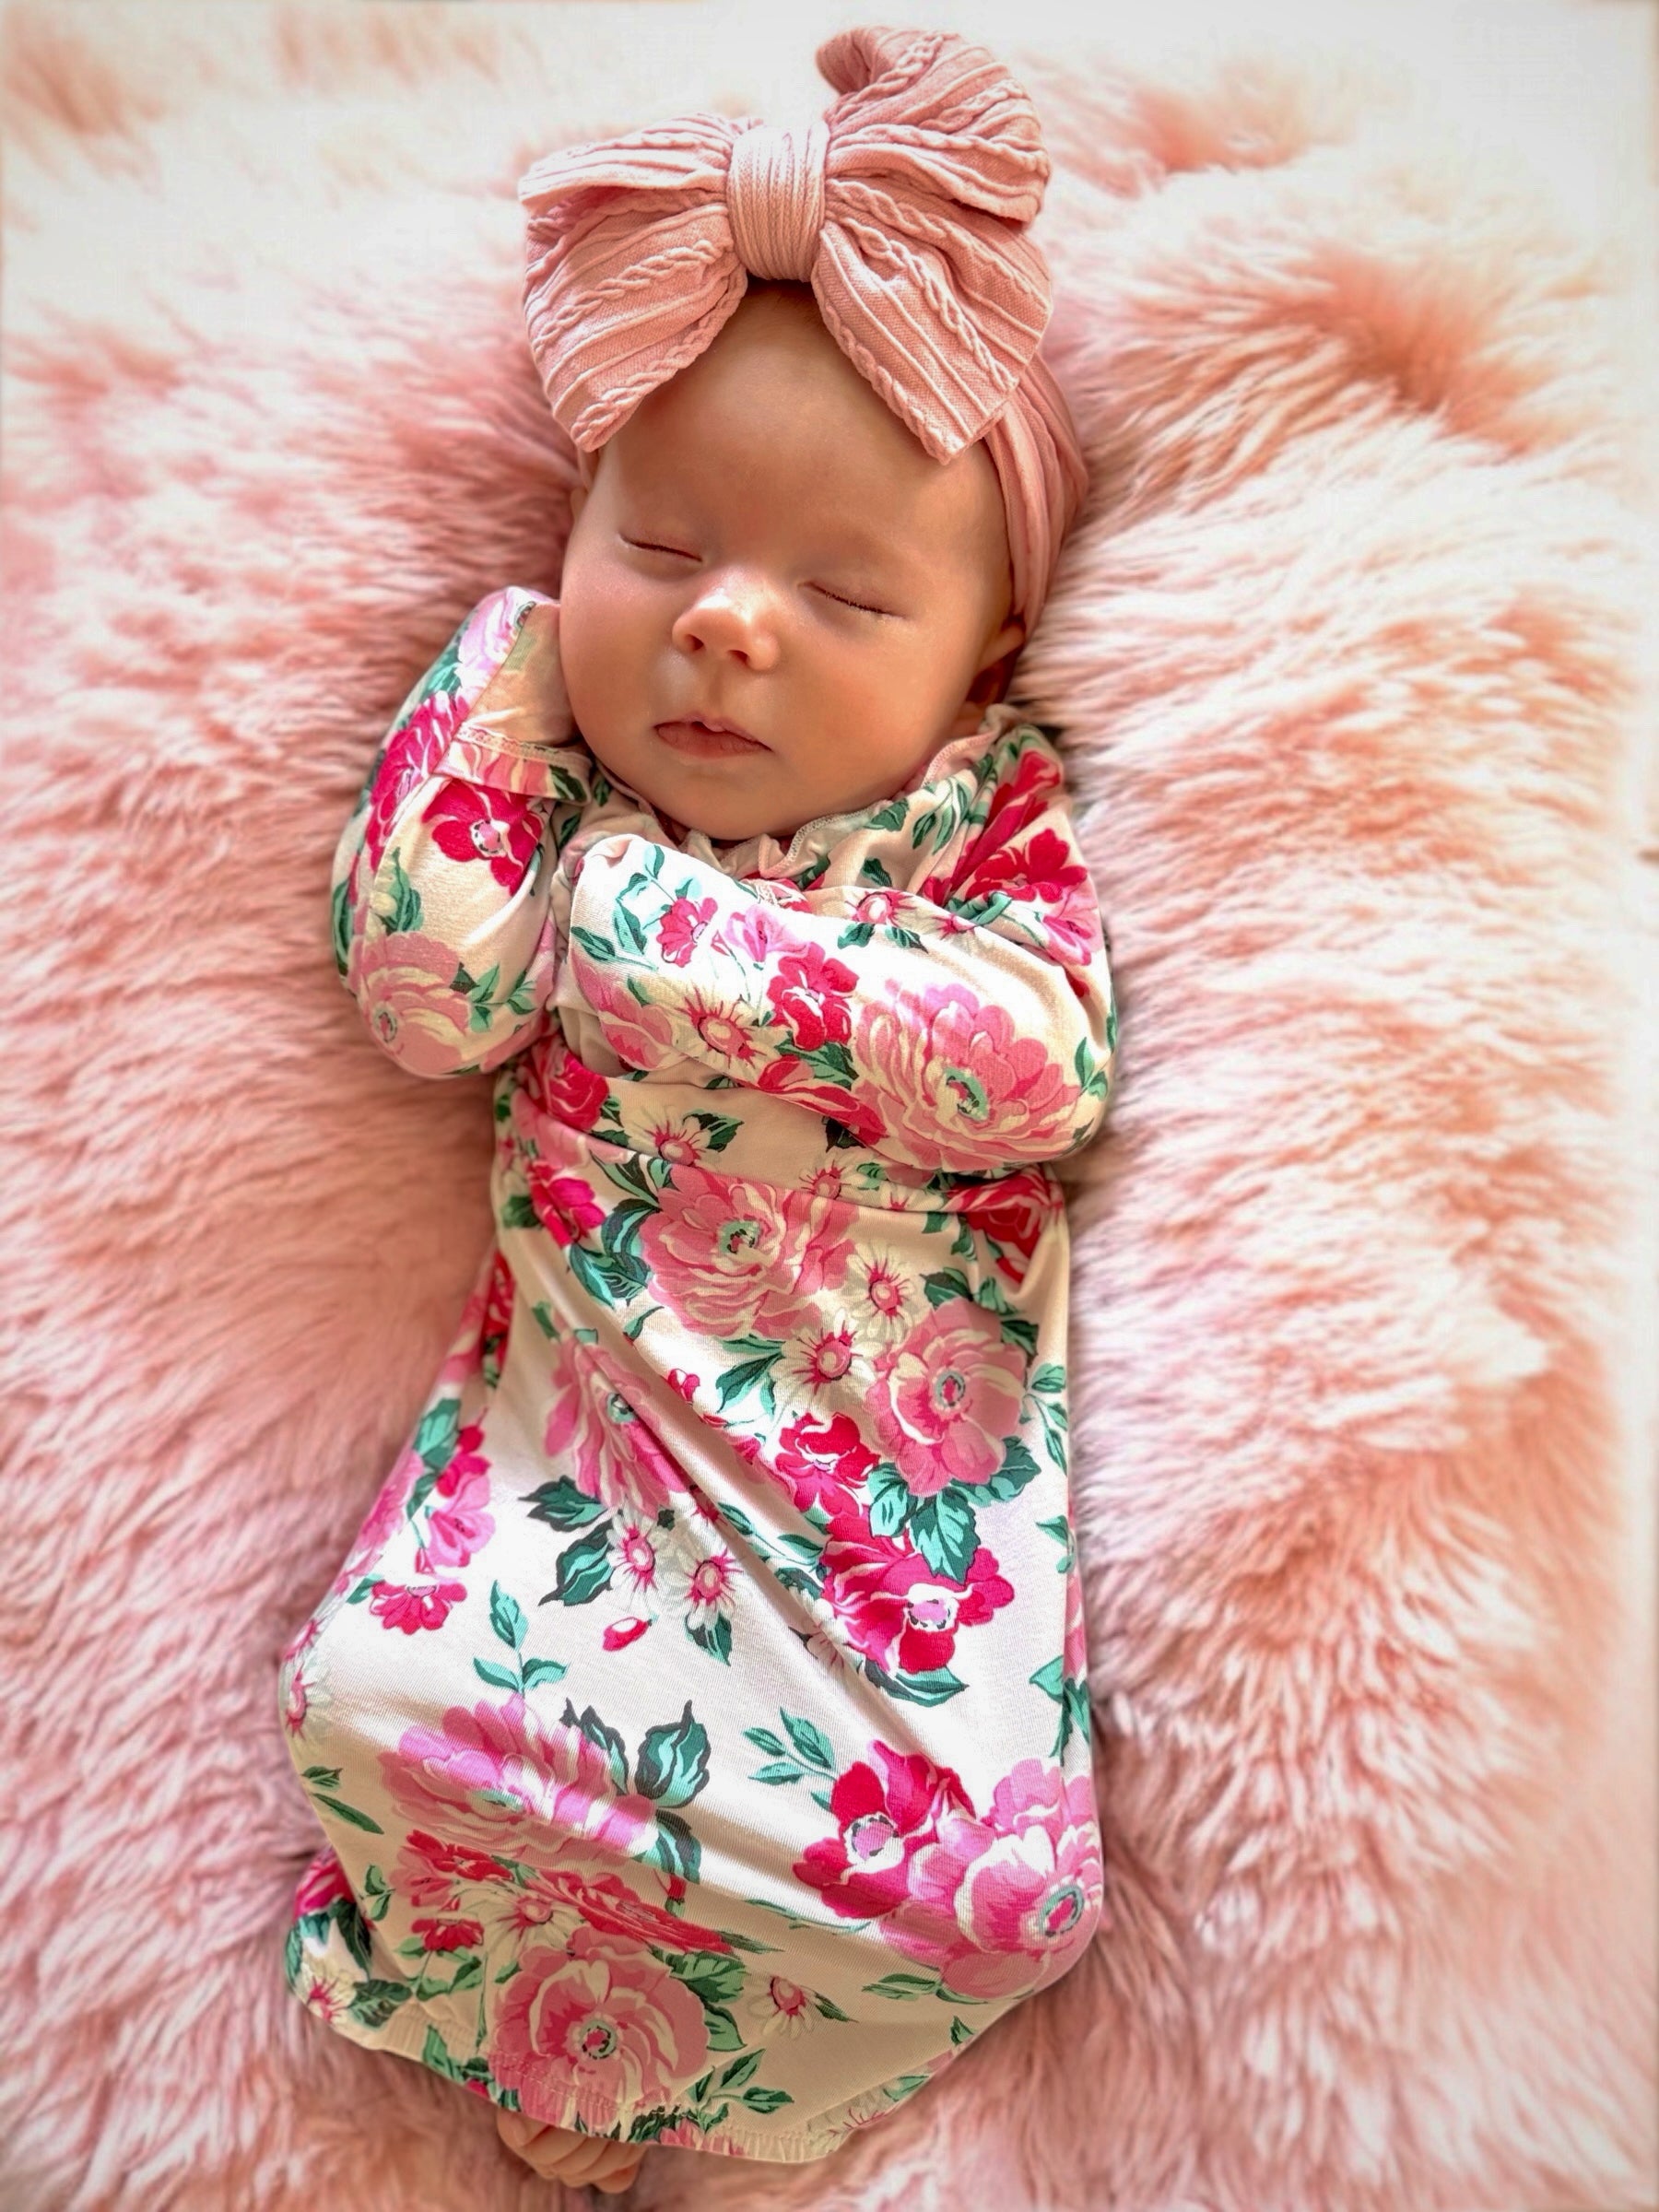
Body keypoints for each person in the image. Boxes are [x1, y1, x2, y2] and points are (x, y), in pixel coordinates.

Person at [276, 25, 1118, 2194]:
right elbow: (420, 998)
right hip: (596, 1442)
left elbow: (1038, 1068)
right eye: (655, 544)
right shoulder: (546, 777)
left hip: (874, 1504)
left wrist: (661, 934)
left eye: (845, 596)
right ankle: (528, 2020)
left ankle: (702, 2059)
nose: (729, 629)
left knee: (1001, 1890)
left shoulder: (976, 818)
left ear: (985, 645)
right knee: (377, 1701)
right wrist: (509, 666)